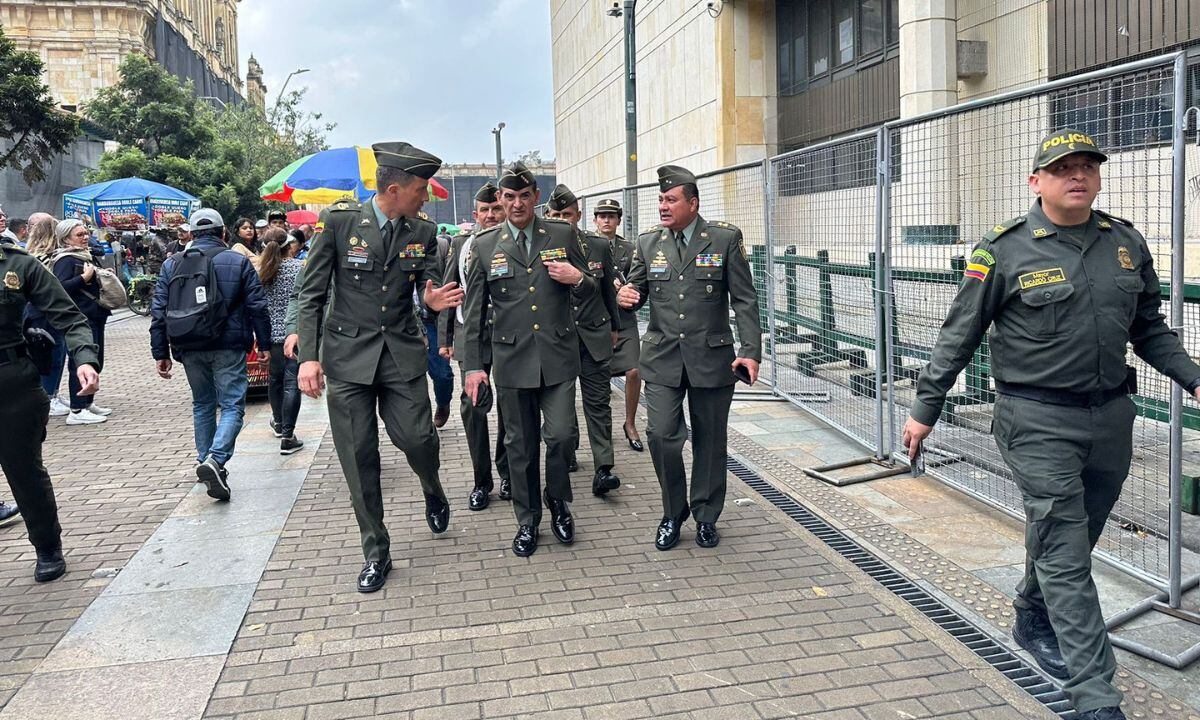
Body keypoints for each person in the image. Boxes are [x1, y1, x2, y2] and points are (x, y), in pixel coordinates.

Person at [902, 130, 1200, 720]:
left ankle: (1032, 611)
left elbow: (1148, 328)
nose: (1077, 175)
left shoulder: (1125, 243)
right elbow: (958, 334)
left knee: (1076, 535)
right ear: (1036, 182)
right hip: (1035, 419)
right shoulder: (1004, 249)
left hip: (1111, 418)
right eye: (1063, 168)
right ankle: (1095, 696)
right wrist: (924, 408)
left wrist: (1194, 378)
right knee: (1065, 548)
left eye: (1087, 165)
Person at [296, 141, 463, 593]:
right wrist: (309, 356)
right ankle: (376, 551)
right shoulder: (339, 222)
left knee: (418, 439)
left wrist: (430, 300)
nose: (426, 198)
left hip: (401, 354)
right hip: (348, 358)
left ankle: (431, 485)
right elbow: (311, 294)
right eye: (421, 190)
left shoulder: (423, 231)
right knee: (359, 457)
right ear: (394, 189)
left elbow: (429, 284)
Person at [617, 165, 762, 551]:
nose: (663, 206)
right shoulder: (648, 243)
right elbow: (637, 290)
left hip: (712, 358)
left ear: (693, 204)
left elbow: (745, 299)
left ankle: (706, 515)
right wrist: (626, 296)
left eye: (671, 200)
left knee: (710, 441)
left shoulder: (724, 238)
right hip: (662, 357)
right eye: (660, 200)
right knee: (661, 435)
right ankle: (673, 511)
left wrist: (750, 351)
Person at [462, 161, 597, 558]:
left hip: (557, 356)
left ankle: (558, 499)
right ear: (500, 199)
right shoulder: (485, 245)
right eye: (510, 197)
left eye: (524, 196)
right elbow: (474, 313)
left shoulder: (561, 233)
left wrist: (578, 279)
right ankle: (527, 519)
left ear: (536, 197)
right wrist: (474, 367)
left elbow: (592, 287)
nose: (517, 204)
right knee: (519, 445)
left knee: (561, 436)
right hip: (511, 359)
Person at [150, 209, 272, 501]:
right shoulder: (238, 261)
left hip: (188, 343)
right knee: (232, 405)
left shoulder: (171, 264)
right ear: (224, 233)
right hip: (229, 344)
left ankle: (205, 459)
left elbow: (159, 310)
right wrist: (265, 344)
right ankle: (215, 460)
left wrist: (160, 351)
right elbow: (257, 306)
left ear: (191, 235)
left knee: (203, 403)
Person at [0, 237, 102, 581]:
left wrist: (84, 360)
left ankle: (47, 548)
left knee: (23, 471)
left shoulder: (19, 264)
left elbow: (70, 318)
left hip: (11, 381)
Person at [546, 184, 622, 496]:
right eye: (555, 215)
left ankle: (604, 468)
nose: (561, 221)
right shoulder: (542, 248)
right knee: (562, 405)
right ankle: (570, 451)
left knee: (598, 403)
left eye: (567, 215)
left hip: (594, 334)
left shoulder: (598, 245)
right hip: (558, 339)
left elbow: (608, 292)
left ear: (578, 215)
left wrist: (615, 326)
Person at [438, 182, 510, 510]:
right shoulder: (461, 244)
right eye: (485, 210)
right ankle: (482, 480)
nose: (491, 215)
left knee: (511, 405)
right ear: (476, 214)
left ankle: (508, 473)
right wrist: (444, 338)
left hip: (508, 335)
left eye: (496, 209)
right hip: (470, 335)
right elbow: (450, 289)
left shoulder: (515, 242)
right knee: (473, 405)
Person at [52, 219, 113, 425]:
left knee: (96, 360)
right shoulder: (65, 260)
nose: (85, 237)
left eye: (86, 233)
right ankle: (77, 409)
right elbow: (59, 288)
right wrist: (83, 279)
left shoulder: (85, 255)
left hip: (95, 315)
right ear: (66, 238)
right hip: (81, 318)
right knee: (80, 361)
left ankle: (87, 403)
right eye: (79, 235)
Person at [594, 198, 643, 451]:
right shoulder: (587, 245)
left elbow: (638, 279)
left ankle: (630, 423)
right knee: (599, 377)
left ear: (618, 220)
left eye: (611, 216)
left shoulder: (629, 248)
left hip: (624, 319)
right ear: (595, 220)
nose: (606, 220)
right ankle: (602, 430)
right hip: (599, 320)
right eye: (602, 216)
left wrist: (627, 288)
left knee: (634, 370)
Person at [257, 227, 305, 454]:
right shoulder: (300, 268)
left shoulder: (261, 271)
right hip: (295, 333)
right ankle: (288, 434)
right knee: (292, 383)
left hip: (270, 335)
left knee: (275, 380)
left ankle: (278, 423)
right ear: (289, 245)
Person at [22, 216, 70, 415]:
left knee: (52, 352)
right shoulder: (47, 257)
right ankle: (48, 396)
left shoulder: (29, 255)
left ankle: (53, 393)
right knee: (52, 353)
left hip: (37, 310)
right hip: (45, 311)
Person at [418, 228, 454, 428]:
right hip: (405, 323)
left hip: (432, 320)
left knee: (441, 373)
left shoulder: (440, 246)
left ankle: (443, 402)